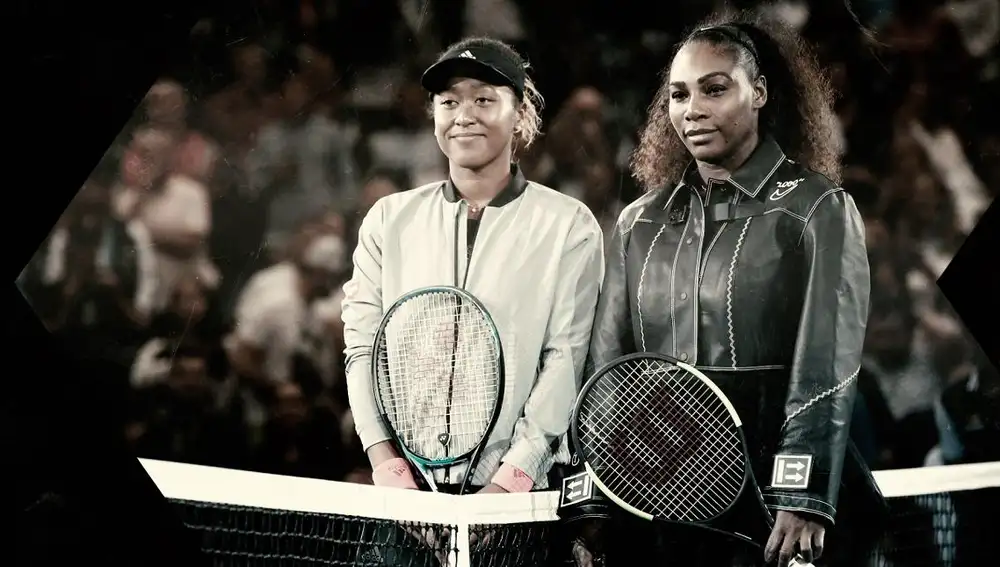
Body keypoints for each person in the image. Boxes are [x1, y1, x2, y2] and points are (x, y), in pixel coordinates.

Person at [560, 14, 885, 567]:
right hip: (657, 492)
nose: (693, 109)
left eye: (716, 89)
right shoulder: (638, 221)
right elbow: (607, 375)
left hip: (772, 500)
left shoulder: (817, 208)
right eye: (679, 94)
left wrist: (802, 497)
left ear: (758, 93)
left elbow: (827, 366)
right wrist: (594, 504)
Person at [341, 37, 605, 566]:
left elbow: (566, 360)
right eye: (449, 102)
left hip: (514, 509)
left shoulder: (568, 225)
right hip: (407, 503)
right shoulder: (388, 220)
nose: (465, 116)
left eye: (484, 99)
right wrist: (389, 468)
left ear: (519, 112)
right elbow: (362, 349)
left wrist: (510, 484)